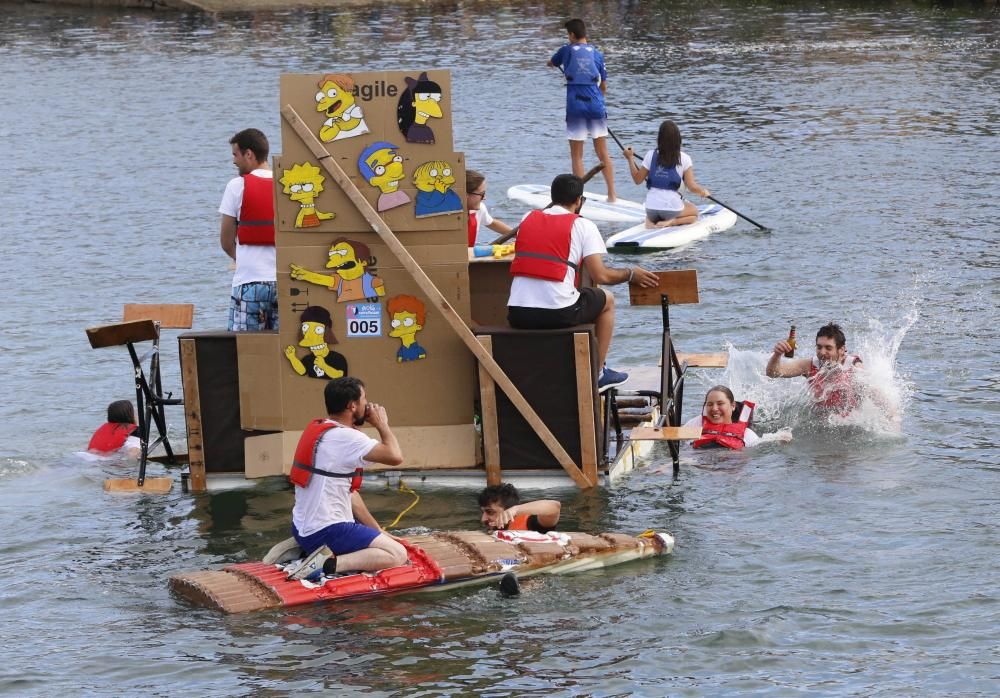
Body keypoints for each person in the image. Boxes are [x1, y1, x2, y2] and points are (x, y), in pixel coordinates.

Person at [506, 173, 659, 391]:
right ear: (579, 201)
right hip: (556, 312)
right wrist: (630, 273)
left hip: (517, 313)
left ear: (552, 197)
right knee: (607, 300)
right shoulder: (583, 225)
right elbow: (601, 276)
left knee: (577, 296)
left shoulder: (527, 218)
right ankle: (598, 373)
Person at [286, 377, 409, 581]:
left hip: (302, 529)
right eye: (364, 399)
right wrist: (382, 424)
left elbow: (350, 494)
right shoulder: (347, 438)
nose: (367, 404)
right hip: (326, 532)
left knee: (371, 536)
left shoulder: (322, 429)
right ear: (352, 405)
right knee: (397, 554)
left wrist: (377, 531)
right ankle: (327, 564)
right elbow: (395, 456)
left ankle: (315, 553)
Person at [548, 18, 617, 202]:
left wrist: (555, 64)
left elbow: (552, 62)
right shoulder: (597, 54)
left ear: (571, 35)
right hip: (596, 106)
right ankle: (612, 195)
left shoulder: (566, 50)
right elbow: (604, 86)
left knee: (577, 156)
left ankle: (579, 198)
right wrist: (599, 103)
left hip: (576, 106)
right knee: (603, 153)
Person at [218, 128, 278, 331]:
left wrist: (240, 258)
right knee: (286, 351)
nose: (234, 161)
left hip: (249, 283)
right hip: (285, 281)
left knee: (245, 352)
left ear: (249, 154)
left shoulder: (237, 186)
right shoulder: (287, 183)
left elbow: (226, 241)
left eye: (236, 154)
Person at [624, 120, 710, 229]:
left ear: (659, 139)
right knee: (694, 213)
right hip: (671, 210)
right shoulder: (685, 158)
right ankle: (672, 222)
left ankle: (650, 221)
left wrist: (630, 158)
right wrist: (703, 191)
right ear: (678, 139)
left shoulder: (650, 155)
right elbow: (692, 187)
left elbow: (637, 180)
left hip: (651, 209)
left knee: (659, 209)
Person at [766, 323, 864, 413]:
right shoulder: (810, 365)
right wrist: (777, 354)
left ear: (841, 349)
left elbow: (870, 389)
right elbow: (773, 373)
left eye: (828, 348)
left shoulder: (853, 365)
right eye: (819, 347)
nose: (822, 352)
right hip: (820, 418)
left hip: (850, 420)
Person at [684, 386, 760, 449]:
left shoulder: (748, 436)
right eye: (710, 404)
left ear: (733, 406)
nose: (714, 408)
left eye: (720, 403)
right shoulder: (695, 425)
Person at [478, 483, 561, 533]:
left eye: (490, 512)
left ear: (509, 510)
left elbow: (555, 507)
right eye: (483, 512)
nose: (483, 519)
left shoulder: (533, 524)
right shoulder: (493, 529)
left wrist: (516, 509)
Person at [466, 170, 513, 246]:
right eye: (482, 194)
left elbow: (492, 223)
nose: (484, 198)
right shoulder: (447, 214)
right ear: (466, 194)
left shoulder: (479, 208)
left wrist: (519, 235)